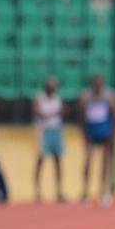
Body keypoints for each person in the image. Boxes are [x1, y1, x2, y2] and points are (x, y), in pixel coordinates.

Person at [79, 74, 115, 205]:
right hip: (91, 132)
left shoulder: (109, 96)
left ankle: (103, 189)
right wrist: (84, 134)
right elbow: (81, 117)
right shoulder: (86, 96)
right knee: (88, 160)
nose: (97, 86)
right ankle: (85, 189)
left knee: (105, 162)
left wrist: (113, 133)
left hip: (105, 132)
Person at [33, 74, 65, 202]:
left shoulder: (58, 99)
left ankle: (59, 191)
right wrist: (52, 114)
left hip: (56, 131)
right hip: (44, 131)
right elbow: (38, 112)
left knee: (57, 162)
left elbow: (61, 113)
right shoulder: (39, 98)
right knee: (40, 161)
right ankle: (37, 191)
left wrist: (48, 115)